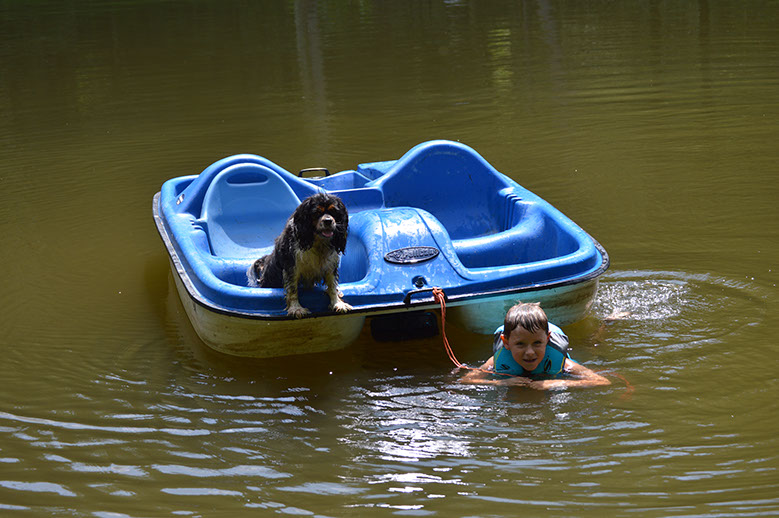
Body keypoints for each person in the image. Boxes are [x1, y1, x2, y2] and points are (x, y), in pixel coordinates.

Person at [459, 302, 611, 390]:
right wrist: (501, 382)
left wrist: (558, 383)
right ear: (506, 343)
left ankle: (608, 322)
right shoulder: (495, 361)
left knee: (591, 343)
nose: (530, 352)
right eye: (520, 344)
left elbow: (601, 381)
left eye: (537, 343)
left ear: (547, 339)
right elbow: (465, 381)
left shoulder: (564, 363)